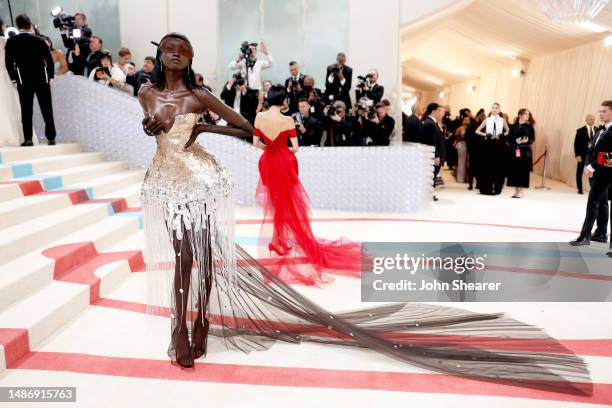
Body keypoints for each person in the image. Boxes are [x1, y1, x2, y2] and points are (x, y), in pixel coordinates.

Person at [137, 34, 592, 397]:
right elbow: (152, 126)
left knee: (202, 252)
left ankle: (197, 324)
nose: (175, 54)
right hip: (165, 180)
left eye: (184, 49)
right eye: (169, 49)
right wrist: (153, 127)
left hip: (200, 180)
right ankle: (181, 327)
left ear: (191, 57)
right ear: (160, 55)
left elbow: (241, 125)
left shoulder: (199, 95)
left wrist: (201, 126)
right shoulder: (145, 92)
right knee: (181, 255)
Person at [4, 14, 56, 146]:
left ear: (17, 25)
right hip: (41, 79)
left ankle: (28, 139)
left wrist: (14, 79)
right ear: (29, 24)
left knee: (26, 110)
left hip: (23, 80)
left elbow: (8, 63)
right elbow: (49, 61)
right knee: (47, 109)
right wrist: (50, 76)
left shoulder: (11, 41)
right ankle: (51, 137)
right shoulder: (40, 40)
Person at [570, 101, 612, 248]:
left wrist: (592, 167)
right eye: (600, 111)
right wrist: (587, 165)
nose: (600, 114)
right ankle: (601, 234)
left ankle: (584, 236)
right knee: (602, 203)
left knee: (592, 203)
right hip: (596, 172)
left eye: (604, 111)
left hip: (606, 173)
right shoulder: (600, 131)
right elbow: (590, 150)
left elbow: (610, 155)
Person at [0, 17, 39, 146]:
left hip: (6, 76)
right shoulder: (5, 42)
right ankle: (20, 136)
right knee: (12, 105)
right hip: (6, 77)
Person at [475, 103, 509, 195]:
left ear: (499, 110)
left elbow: (508, 131)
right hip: (488, 145)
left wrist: (501, 135)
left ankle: (497, 188)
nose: (494, 109)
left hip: (499, 145)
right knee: (487, 166)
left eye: (496, 108)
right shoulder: (487, 120)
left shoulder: (502, 120)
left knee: (498, 167)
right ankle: (486, 189)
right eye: (493, 108)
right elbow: (477, 131)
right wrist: (486, 134)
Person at [507, 109, 535, 198]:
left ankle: (521, 190)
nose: (528, 116)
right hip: (515, 150)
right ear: (520, 115)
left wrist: (526, 141)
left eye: (528, 114)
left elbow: (532, 139)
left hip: (525, 151)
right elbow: (509, 138)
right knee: (514, 170)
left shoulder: (530, 127)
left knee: (523, 171)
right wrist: (515, 140)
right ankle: (516, 190)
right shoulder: (512, 126)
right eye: (526, 114)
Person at [420, 103, 446, 201]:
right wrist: (436, 156)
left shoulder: (432, 122)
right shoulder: (429, 123)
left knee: (433, 175)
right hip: (434, 155)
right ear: (434, 111)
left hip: (436, 154)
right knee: (431, 176)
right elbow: (431, 142)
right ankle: (429, 194)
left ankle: (430, 193)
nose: (440, 113)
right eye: (439, 111)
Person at [574, 114, 596, 195]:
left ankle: (592, 189)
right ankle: (580, 188)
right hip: (582, 154)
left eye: (593, 118)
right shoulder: (580, 130)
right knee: (579, 171)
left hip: (593, 156)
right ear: (586, 120)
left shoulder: (598, 130)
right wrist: (577, 155)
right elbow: (576, 144)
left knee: (592, 171)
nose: (591, 120)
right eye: (590, 118)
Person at [454, 117, 470, 183]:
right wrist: (462, 138)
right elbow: (456, 136)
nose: (467, 121)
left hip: (468, 145)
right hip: (461, 145)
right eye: (465, 120)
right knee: (461, 162)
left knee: (468, 162)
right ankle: (460, 178)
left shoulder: (470, 128)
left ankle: (467, 177)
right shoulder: (460, 128)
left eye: (468, 120)